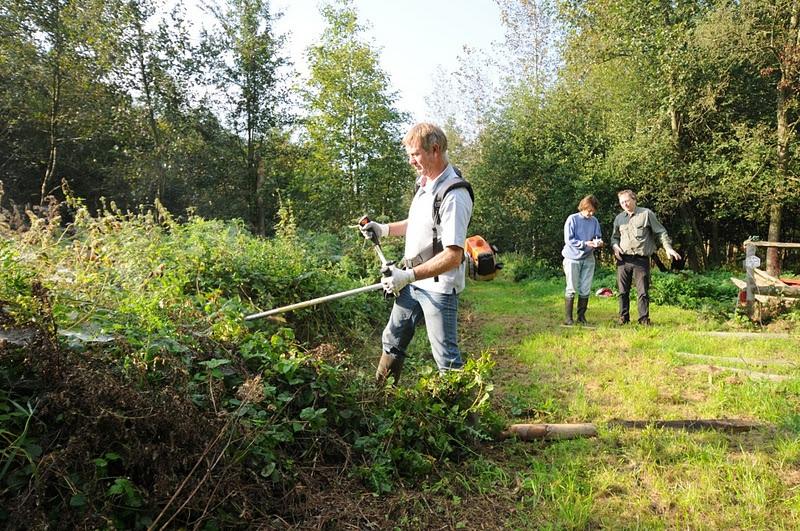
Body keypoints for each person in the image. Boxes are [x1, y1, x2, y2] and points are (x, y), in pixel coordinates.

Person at [359, 123, 473, 384]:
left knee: (447, 360)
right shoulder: (425, 185)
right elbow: (420, 224)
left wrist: (407, 276)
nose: (411, 161)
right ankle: (380, 400)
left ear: (434, 150)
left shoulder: (454, 194)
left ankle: (465, 423)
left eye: (415, 154)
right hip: (412, 283)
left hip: (438, 289)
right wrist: (384, 229)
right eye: (408, 155)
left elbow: (453, 255)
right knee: (393, 340)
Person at [610, 189, 681, 325]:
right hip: (623, 259)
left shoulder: (646, 214)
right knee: (622, 291)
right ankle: (623, 318)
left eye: (627, 201)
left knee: (642, 291)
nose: (625, 204)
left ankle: (643, 319)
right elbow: (614, 237)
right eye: (622, 202)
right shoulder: (619, 218)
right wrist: (615, 246)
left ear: (634, 199)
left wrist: (668, 248)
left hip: (640, 259)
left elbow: (661, 232)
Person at [561, 195, 603, 325]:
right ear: (583, 207)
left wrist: (598, 242)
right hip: (572, 258)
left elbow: (597, 235)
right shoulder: (572, 219)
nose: (591, 213)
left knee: (585, 288)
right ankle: (568, 318)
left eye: (593, 211)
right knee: (572, 287)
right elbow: (569, 240)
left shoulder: (594, 221)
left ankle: (581, 317)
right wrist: (585, 243)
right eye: (589, 210)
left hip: (588, 258)